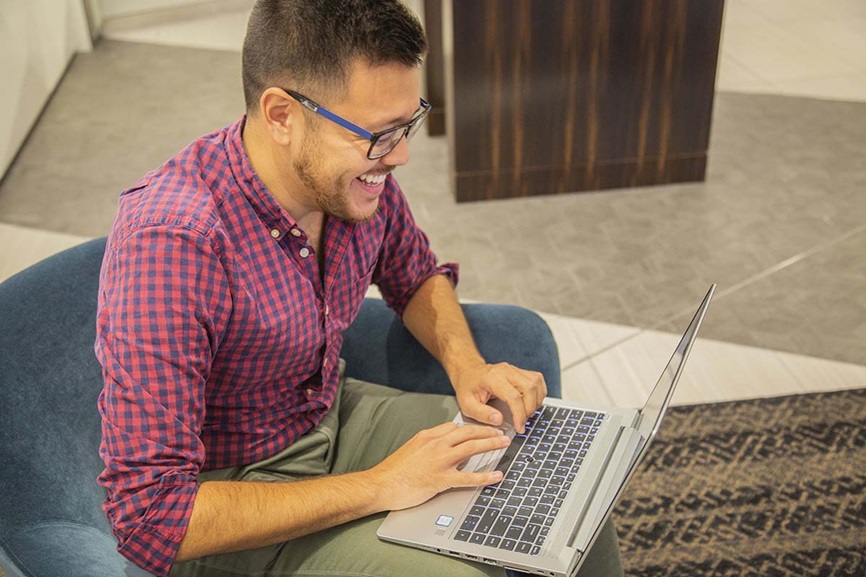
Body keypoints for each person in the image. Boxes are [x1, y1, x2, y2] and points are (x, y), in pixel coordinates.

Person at [95, 1, 624, 576]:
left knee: (559, 487)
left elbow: (415, 274)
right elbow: (152, 517)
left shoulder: (350, 182)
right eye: (376, 135)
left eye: (406, 124)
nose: (399, 155)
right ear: (281, 115)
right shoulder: (174, 244)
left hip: (330, 420)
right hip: (235, 492)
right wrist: (380, 486)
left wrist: (467, 365)